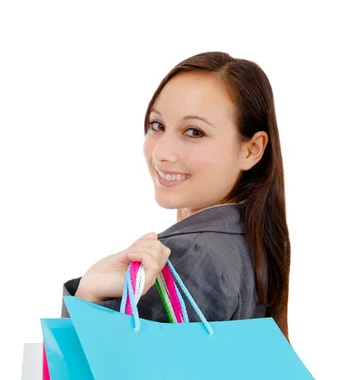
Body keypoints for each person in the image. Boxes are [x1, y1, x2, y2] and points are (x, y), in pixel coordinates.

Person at [61, 51, 291, 341]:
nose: (161, 153)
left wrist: (88, 295)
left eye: (194, 131)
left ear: (252, 149)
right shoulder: (252, 239)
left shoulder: (188, 257)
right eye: (157, 126)